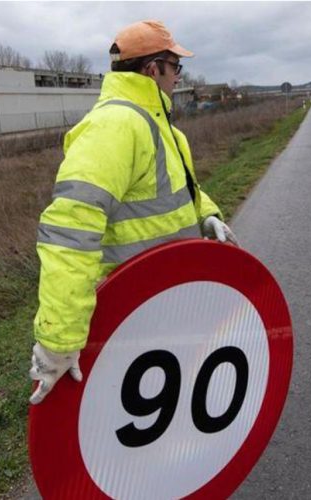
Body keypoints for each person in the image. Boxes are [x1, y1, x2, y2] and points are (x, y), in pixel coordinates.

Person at [29, 20, 237, 404]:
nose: (178, 77)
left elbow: (180, 191)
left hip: (169, 300)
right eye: (175, 67)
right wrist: (58, 340)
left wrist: (206, 216)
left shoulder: (163, 129)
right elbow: (71, 232)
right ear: (153, 68)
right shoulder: (114, 125)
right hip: (129, 316)